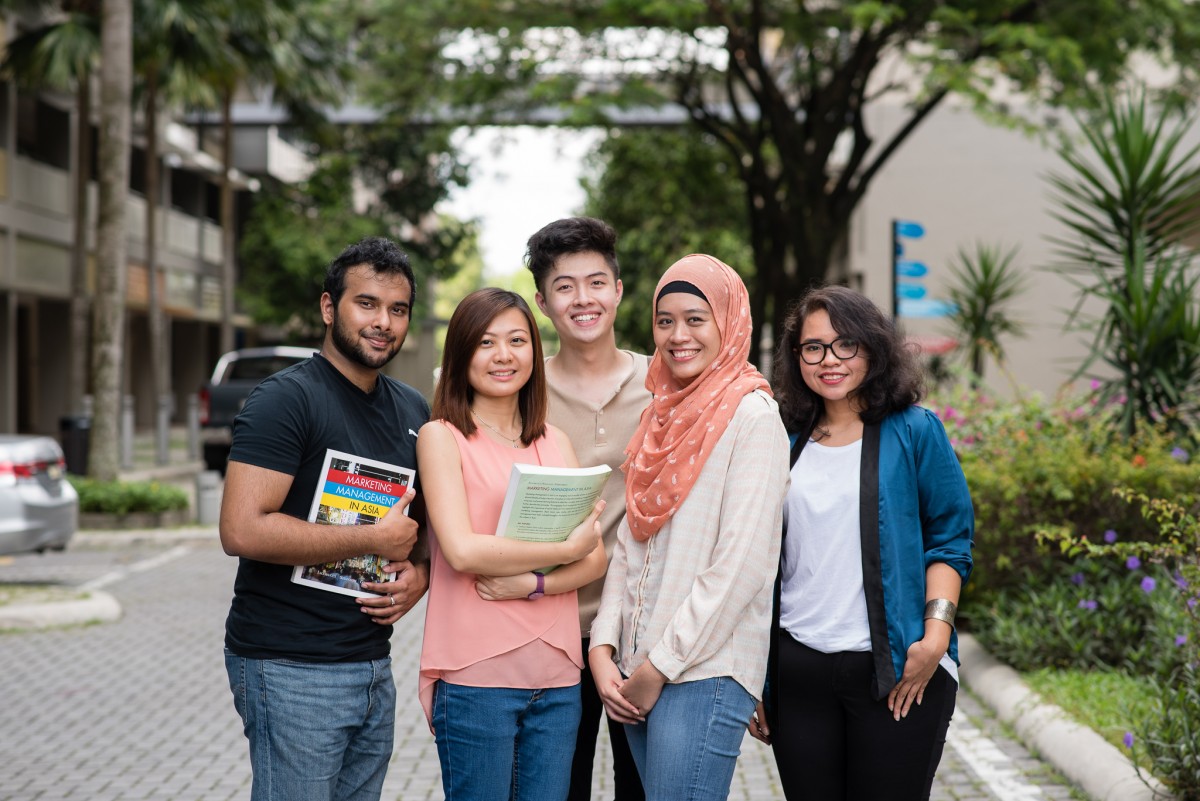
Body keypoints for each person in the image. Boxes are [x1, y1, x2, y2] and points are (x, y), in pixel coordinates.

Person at [219, 236, 432, 801]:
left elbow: (422, 531)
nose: (383, 322)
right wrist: (371, 537)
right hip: (287, 666)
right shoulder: (285, 400)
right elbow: (241, 529)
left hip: (370, 664)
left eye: (398, 309)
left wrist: (420, 575)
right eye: (367, 304)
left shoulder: (413, 408)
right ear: (329, 307)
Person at [750, 285, 974, 800]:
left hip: (898, 668)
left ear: (872, 347)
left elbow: (950, 537)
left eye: (845, 344)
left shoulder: (914, 430)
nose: (829, 360)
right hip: (798, 670)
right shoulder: (782, 438)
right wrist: (758, 677)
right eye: (813, 347)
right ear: (796, 356)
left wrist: (935, 637)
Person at [588, 254, 789, 801]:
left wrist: (658, 667)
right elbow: (631, 540)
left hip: (702, 672)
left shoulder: (753, 417)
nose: (678, 335)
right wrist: (603, 649)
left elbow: (742, 565)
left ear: (729, 321)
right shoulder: (660, 414)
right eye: (665, 320)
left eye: (696, 319)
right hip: (635, 668)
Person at [417, 288, 609, 801]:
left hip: (559, 677)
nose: (504, 355)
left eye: (517, 340)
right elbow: (461, 551)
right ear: (460, 355)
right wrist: (567, 549)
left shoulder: (555, 441)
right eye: (486, 342)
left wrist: (533, 582)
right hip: (477, 678)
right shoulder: (441, 437)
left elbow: (596, 557)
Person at [525, 216, 649, 801]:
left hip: (640, 631)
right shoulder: (521, 390)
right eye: (565, 285)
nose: (583, 299)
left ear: (619, 290)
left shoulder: (667, 381)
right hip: (549, 629)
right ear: (542, 301)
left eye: (596, 282)